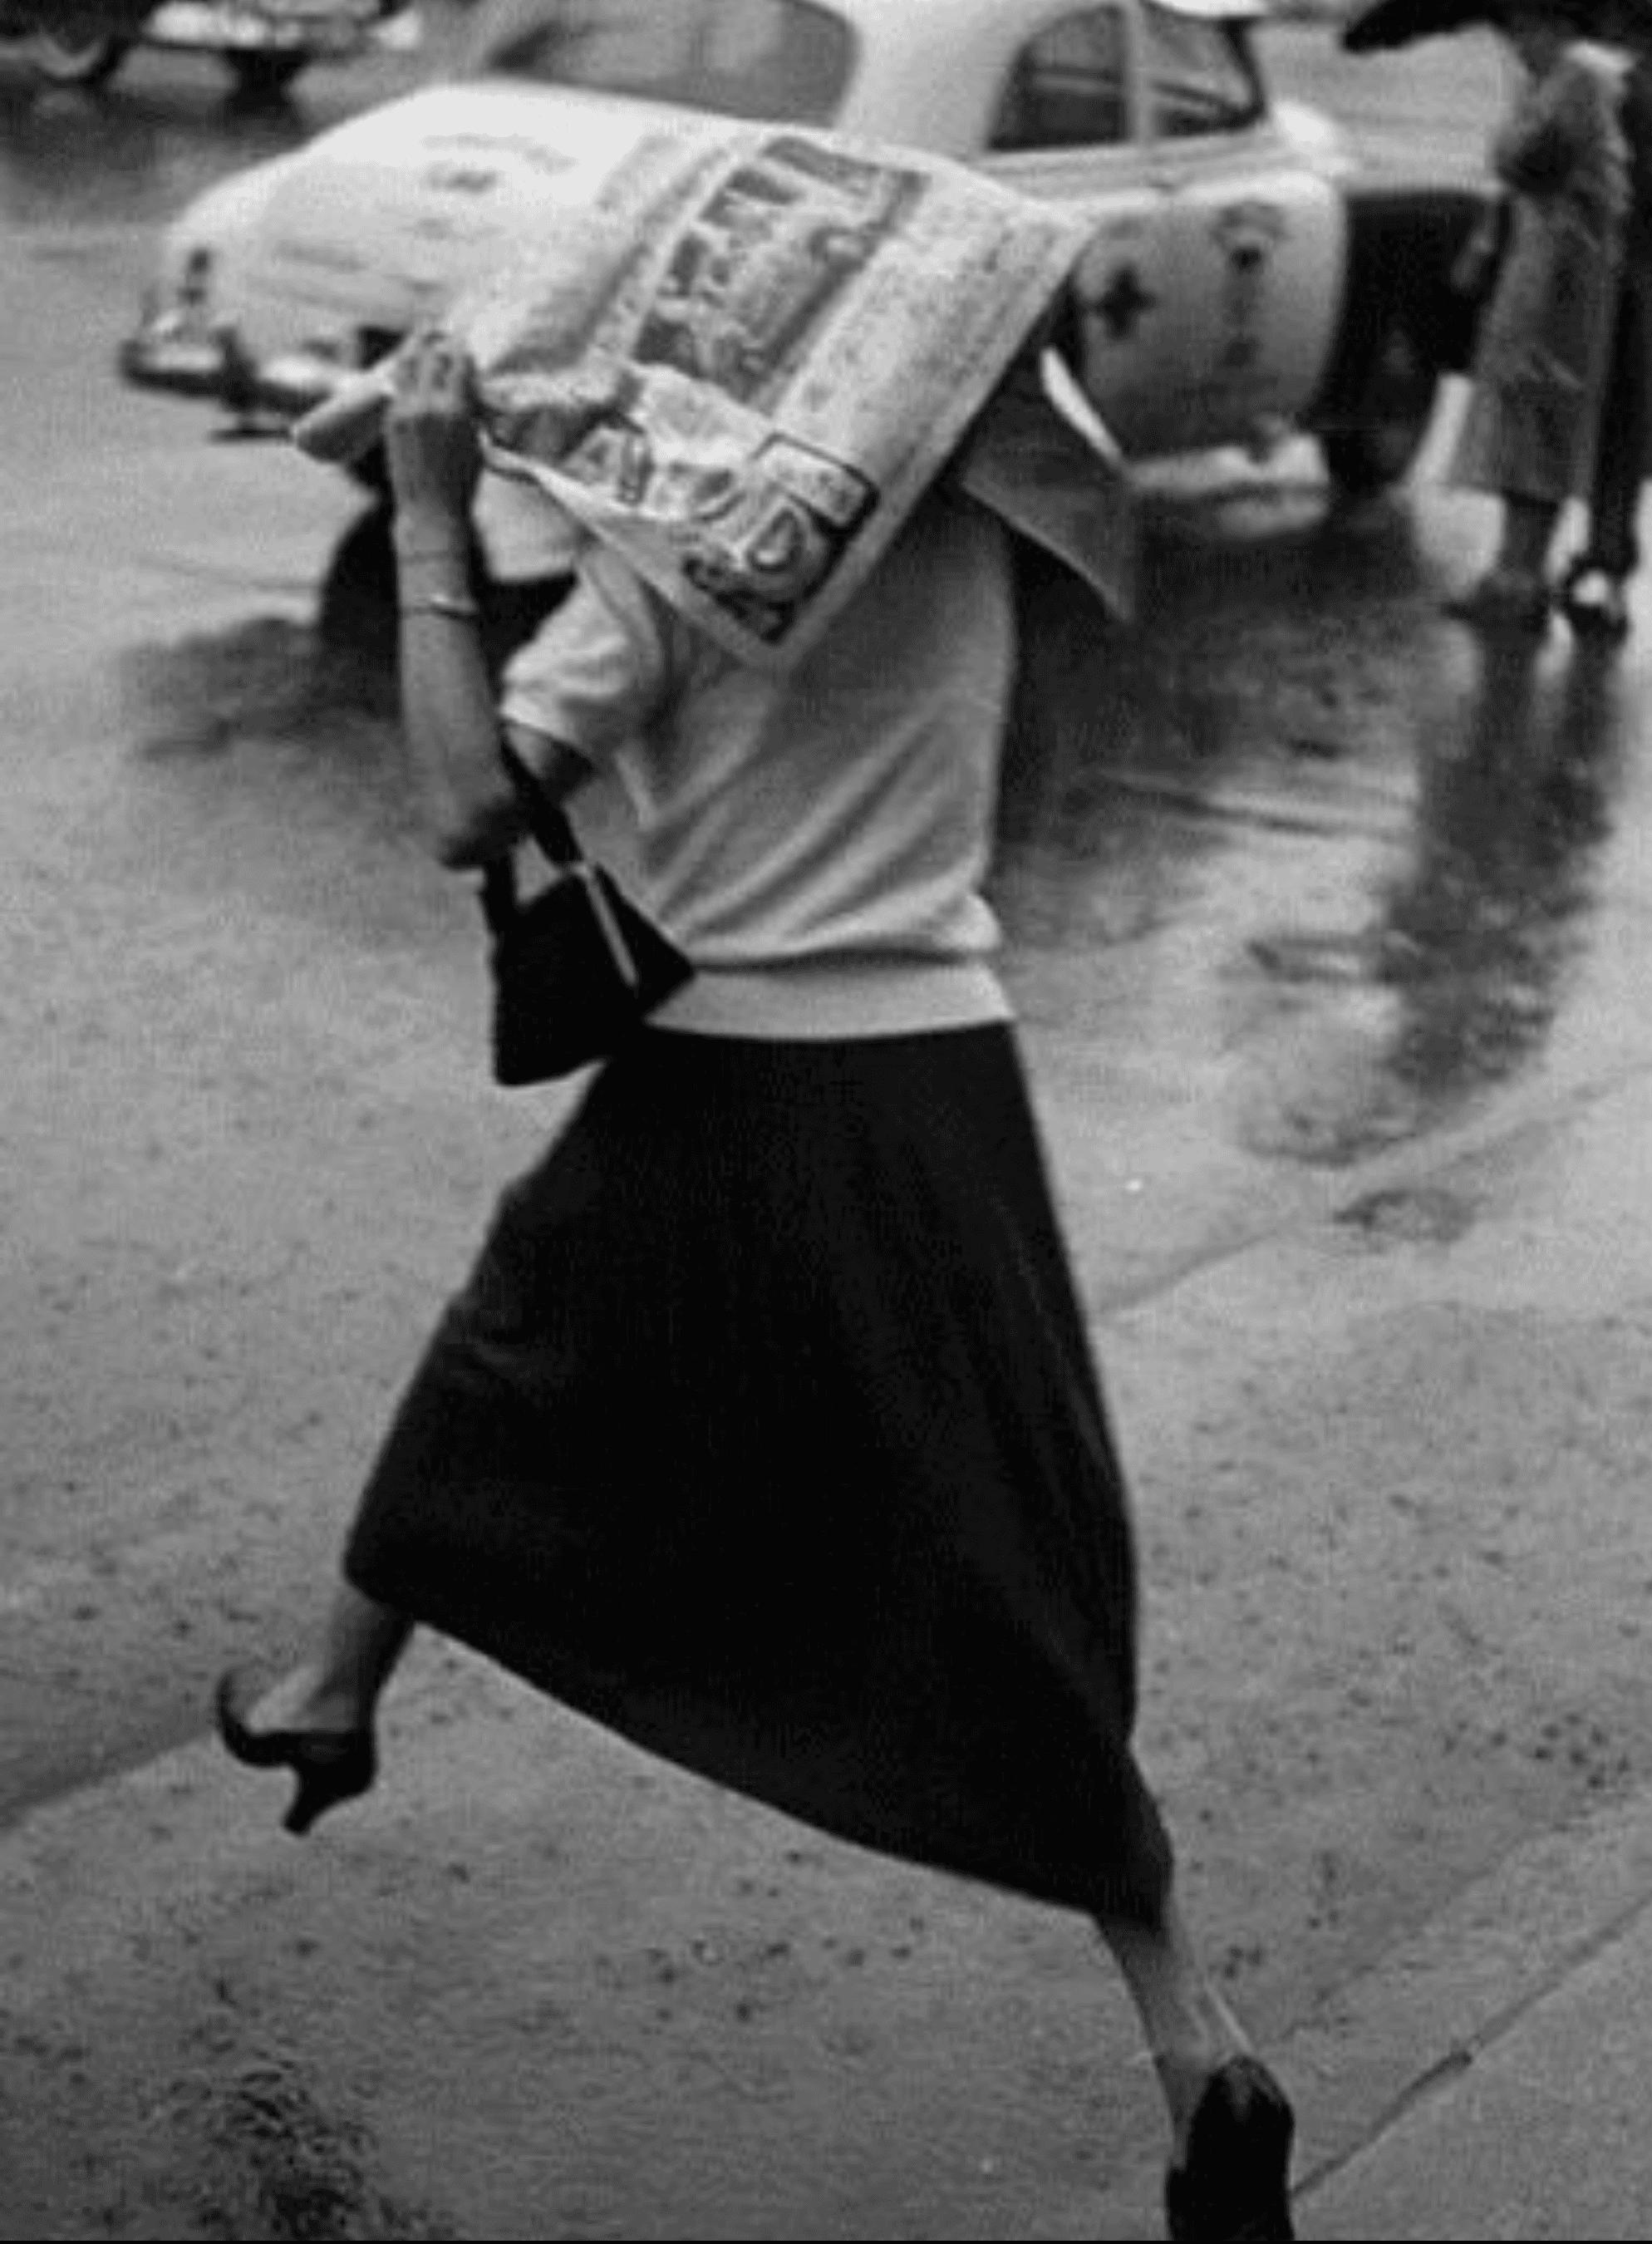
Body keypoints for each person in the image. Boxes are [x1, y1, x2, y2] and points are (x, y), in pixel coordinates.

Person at [212, 325, 1300, 2244]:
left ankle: (328, 1688)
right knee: (1007, 1549)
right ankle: (1188, 2031)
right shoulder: (963, 529)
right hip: (945, 1071)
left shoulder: (681, 576)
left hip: (733, 1074)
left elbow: (467, 794)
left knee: (511, 1367)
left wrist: (431, 523)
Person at [1443, 0, 1630, 633]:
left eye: (1524, 26)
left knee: (1543, 411)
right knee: (1519, 412)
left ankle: (1523, 576)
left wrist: (1512, 137)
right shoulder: (1553, 78)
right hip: (1539, 259)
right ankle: (1509, 566)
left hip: (1566, 271)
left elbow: (1523, 158)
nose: (1517, 40)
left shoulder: (1580, 75)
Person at [1556, 0, 1652, 641]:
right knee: (1630, 437)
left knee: (1607, 429)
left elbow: (1651, 191)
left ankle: (1597, 564)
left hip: (1621, 280)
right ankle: (1609, 570)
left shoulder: (1624, 87)